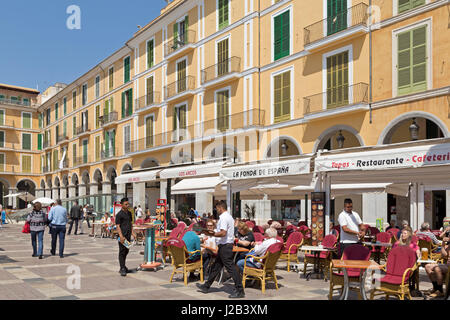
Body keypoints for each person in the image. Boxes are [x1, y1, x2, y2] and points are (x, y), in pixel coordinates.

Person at [197, 201, 245, 299]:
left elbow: (223, 233)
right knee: (216, 266)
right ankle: (206, 286)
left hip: (225, 245)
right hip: (226, 245)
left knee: (231, 268)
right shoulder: (229, 217)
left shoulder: (223, 217)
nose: (216, 210)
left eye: (217, 208)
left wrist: (212, 234)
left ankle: (240, 290)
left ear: (220, 208)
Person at [116, 198, 136, 277]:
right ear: (122, 205)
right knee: (122, 251)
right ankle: (122, 268)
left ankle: (123, 266)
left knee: (126, 251)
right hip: (122, 236)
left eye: (128, 204)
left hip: (128, 235)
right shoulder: (119, 214)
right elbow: (118, 226)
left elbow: (130, 224)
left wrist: (132, 233)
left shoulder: (129, 213)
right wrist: (121, 236)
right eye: (126, 204)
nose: (128, 205)